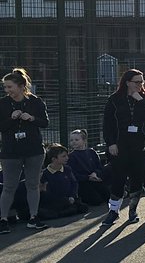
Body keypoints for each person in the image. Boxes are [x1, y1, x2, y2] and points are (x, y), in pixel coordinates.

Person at [101, 69, 145, 226]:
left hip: (139, 145)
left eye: (142, 82)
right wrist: (111, 143)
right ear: (127, 83)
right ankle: (113, 211)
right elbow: (107, 124)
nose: (140, 85)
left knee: (136, 178)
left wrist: (140, 100)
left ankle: (133, 210)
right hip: (120, 145)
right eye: (136, 82)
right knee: (118, 178)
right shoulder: (114, 99)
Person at [0, 68, 49, 231]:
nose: (7, 90)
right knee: (9, 186)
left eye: (10, 87)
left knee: (33, 184)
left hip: (33, 150)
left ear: (21, 86)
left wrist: (32, 118)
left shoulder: (35, 101)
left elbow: (45, 122)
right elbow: (1, 126)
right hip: (10, 151)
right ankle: (3, 219)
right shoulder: (3, 103)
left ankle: (34, 217)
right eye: (5, 87)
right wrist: (11, 118)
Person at [39, 145, 88, 219]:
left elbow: (74, 183)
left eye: (67, 156)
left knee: (83, 207)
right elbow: (47, 192)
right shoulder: (45, 174)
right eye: (63, 156)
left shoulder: (67, 169)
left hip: (69, 198)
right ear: (54, 159)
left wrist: (72, 196)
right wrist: (64, 199)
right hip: (56, 201)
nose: (67, 158)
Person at [67, 129, 110, 207]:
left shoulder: (91, 152)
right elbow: (73, 174)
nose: (73, 142)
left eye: (76, 140)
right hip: (83, 182)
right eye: (71, 140)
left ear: (84, 141)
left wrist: (95, 173)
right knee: (96, 201)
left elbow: (99, 166)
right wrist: (87, 177)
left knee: (107, 195)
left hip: (94, 178)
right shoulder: (71, 156)